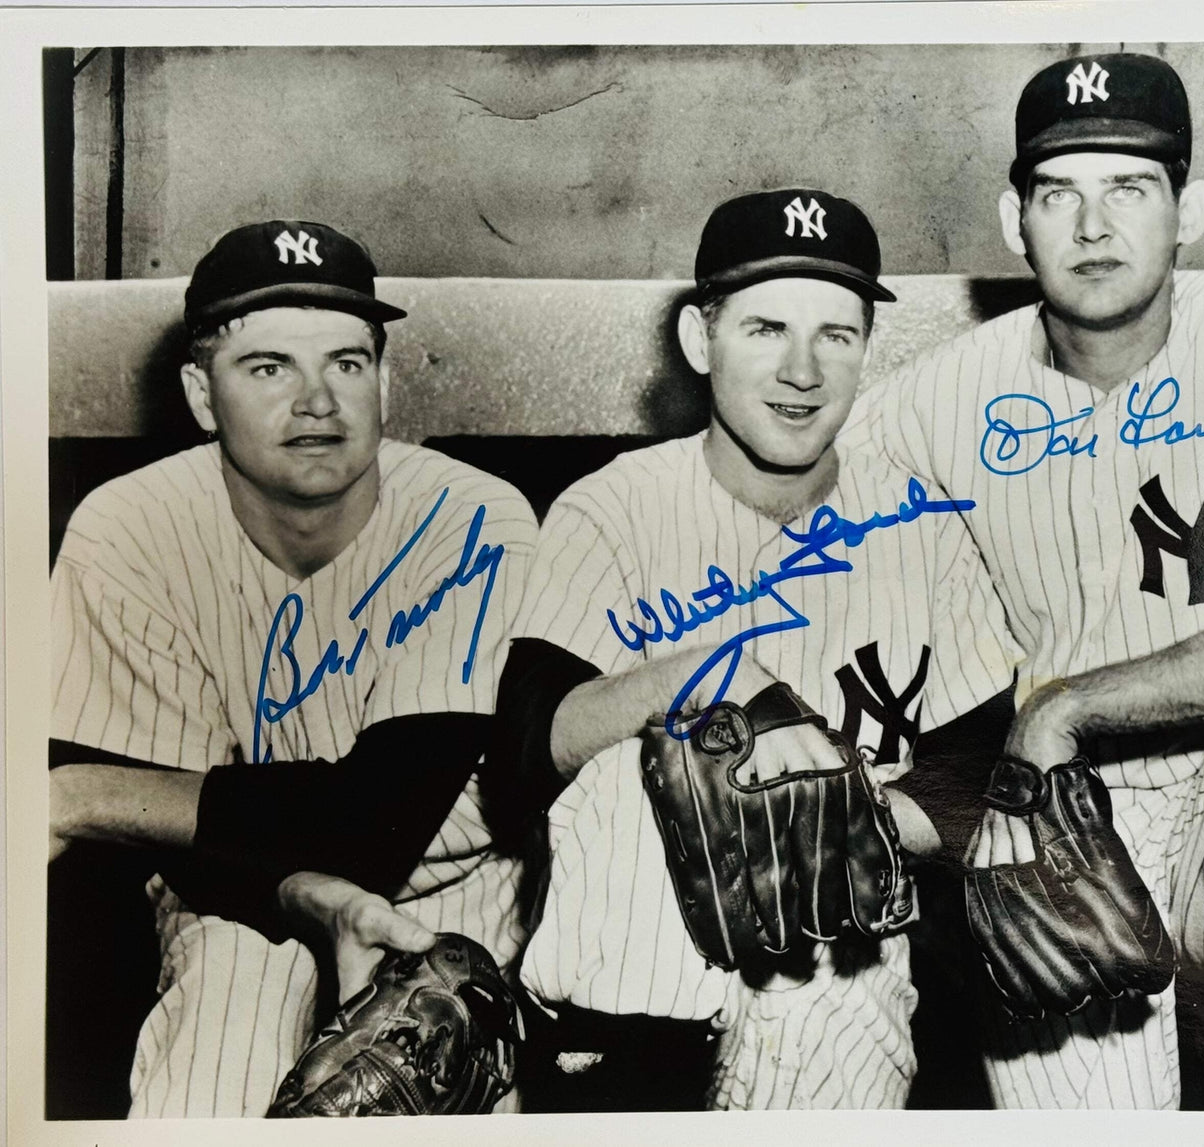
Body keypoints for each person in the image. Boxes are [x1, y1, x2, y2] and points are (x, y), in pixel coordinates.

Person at [842, 52, 1204, 1108]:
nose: (1092, 226)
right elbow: (922, 681)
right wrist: (876, 805)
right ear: (1014, 223)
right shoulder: (929, 406)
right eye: (1058, 193)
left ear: (1186, 207)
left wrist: (1071, 703)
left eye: (1128, 187)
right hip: (1050, 820)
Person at [493, 188, 1020, 1109]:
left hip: (842, 932)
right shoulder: (609, 506)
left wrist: (831, 827)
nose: (802, 370)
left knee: (825, 972)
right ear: (702, 340)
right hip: (631, 964)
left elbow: (975, 772)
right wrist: (716, 675)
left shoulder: (924, 523)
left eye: (836, 335)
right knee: (628, 783)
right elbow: (527, 748)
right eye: (766, 328)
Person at [48, 220, 539, 1117]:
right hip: (231, 886)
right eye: (268, 366)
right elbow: (158, 837)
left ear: (385, 380)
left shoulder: (474, 518)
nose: (318, 401)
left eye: (347, 363)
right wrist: (289, 885)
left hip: (448, 885)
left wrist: (78, 794)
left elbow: (376, 822)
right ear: (201, 393)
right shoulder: (128, 527)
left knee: (440, 1063)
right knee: (210, 1066)